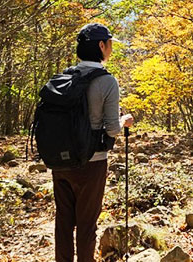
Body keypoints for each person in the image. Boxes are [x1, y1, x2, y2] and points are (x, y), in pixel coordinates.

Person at [53, 23, 134, 262]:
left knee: (64, 224)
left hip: (60, 161)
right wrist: (124, 120)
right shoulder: (107, 82)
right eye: (109, 44)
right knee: (87, 226)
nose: (111, 48)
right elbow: (111, 129)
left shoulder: (65, 77)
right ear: (101, 46)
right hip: (92, 162)